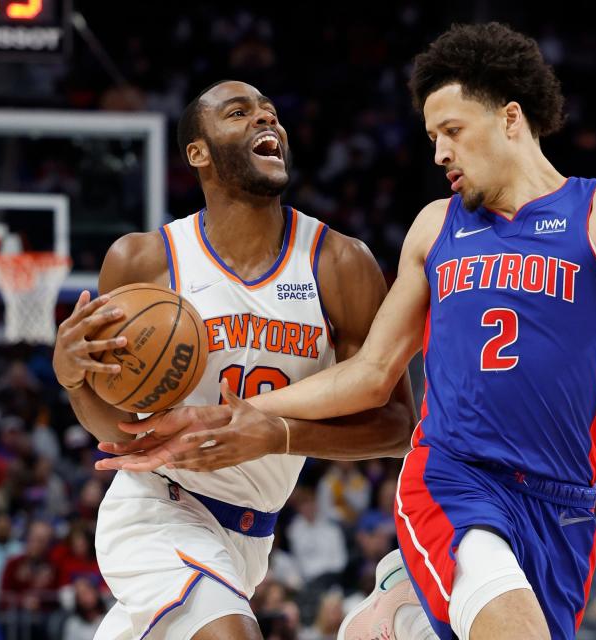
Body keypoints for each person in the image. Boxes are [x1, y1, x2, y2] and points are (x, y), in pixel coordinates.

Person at [100, 22, 596, 640]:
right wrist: (243, 414)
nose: (439, 151)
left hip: (563, 503)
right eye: (430, 136)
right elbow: (371, 374)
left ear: (511, 118)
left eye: (452, 131)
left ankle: (396, 613)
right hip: (453, 482)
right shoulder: (436, 227)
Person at [53, 79, 415, 640]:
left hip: (251, 538)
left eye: (271, 114)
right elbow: (120, 431)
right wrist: (74, 379)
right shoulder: (143, 261)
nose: (265, 122)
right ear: (198, 152)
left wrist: (277, 434)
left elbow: (396, 428)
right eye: (239, 113)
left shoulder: (339, 263)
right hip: (157, 508)